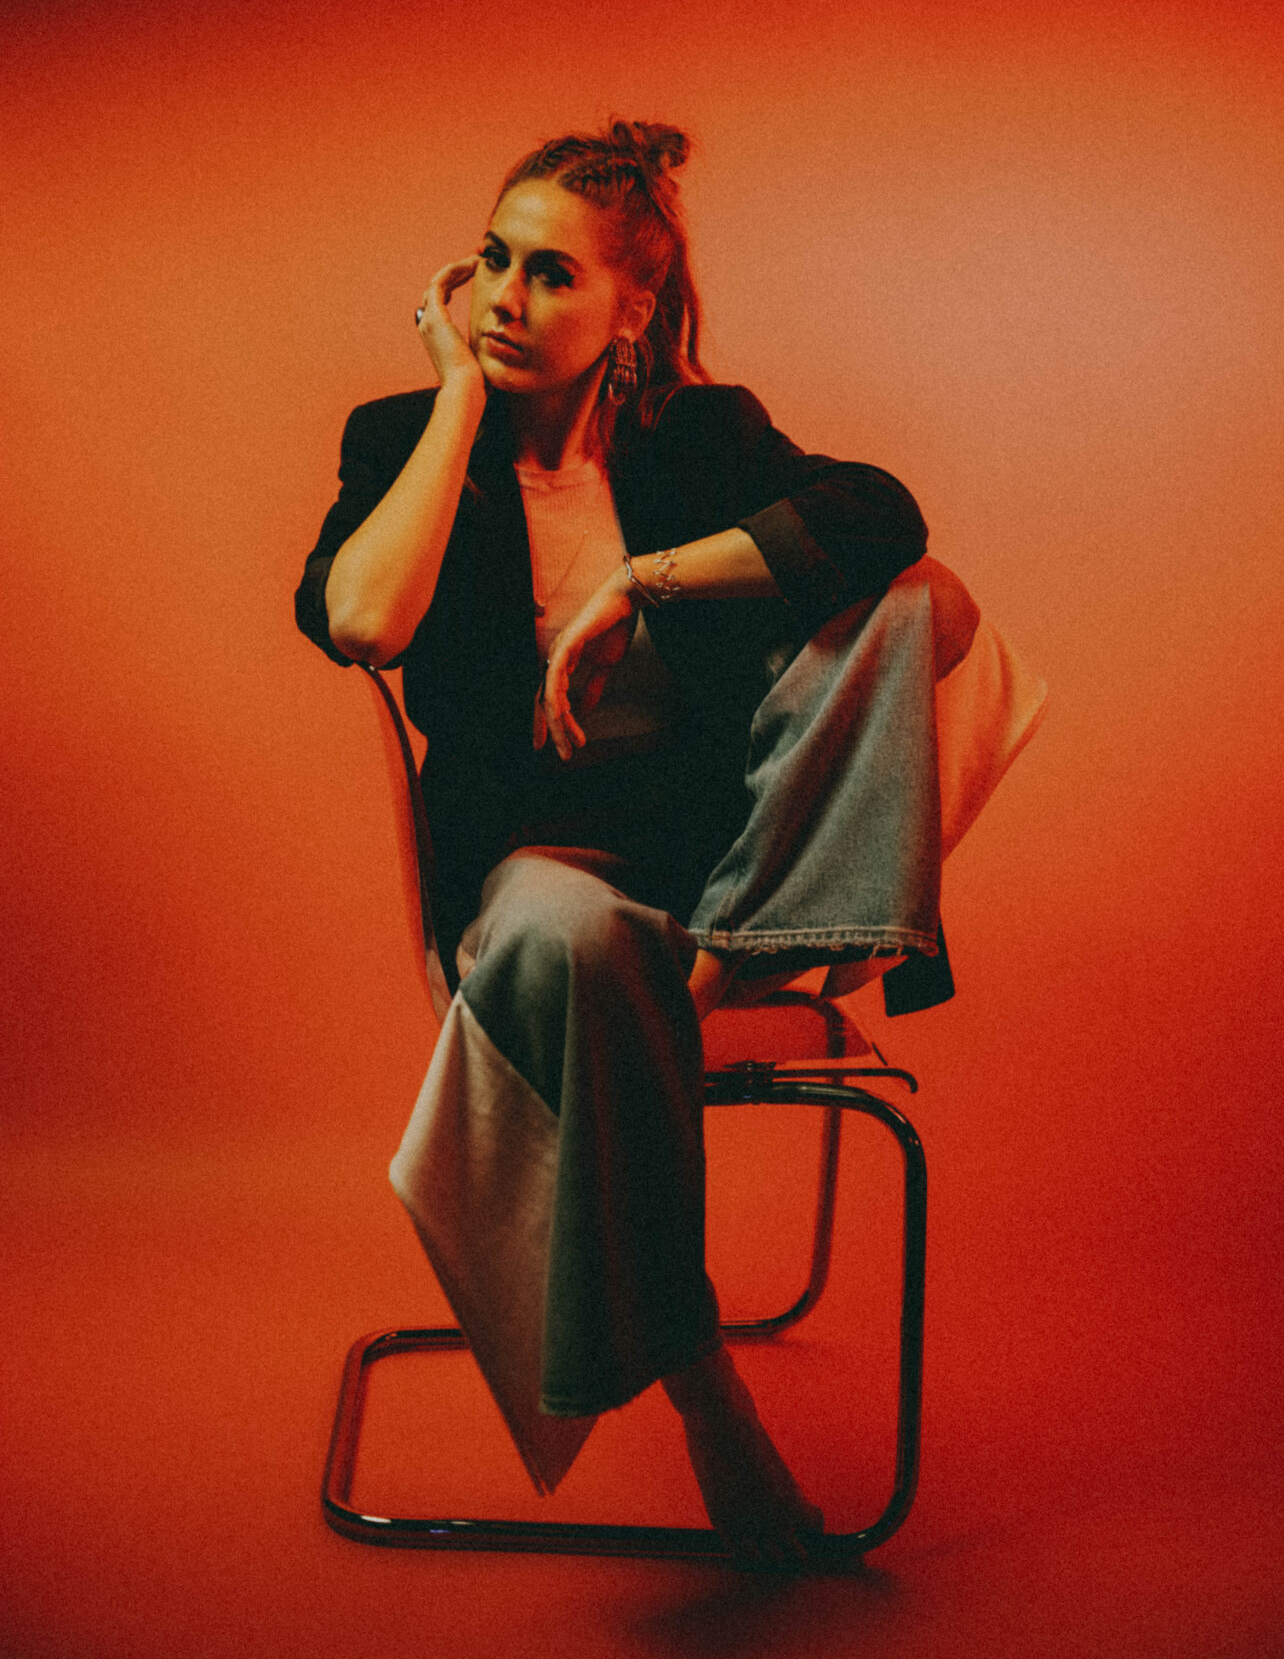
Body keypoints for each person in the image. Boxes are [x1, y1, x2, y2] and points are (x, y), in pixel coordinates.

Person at [295, 120, 932, 1565]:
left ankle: (736, 951)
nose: (510, 298)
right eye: (495, 264)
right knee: (564, 939)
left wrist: (641, 582)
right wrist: (456, 400)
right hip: (537, 880)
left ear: (632, 310)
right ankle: (704, 1388)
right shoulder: (399, 443)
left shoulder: (699, 442)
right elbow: (361, 625)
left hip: (718, 867)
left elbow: (884, 513)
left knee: (913, 604)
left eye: (554, 276)